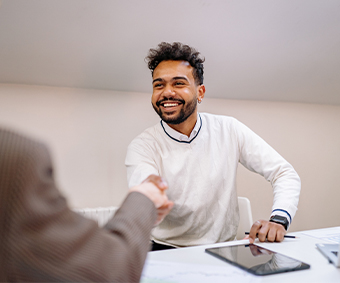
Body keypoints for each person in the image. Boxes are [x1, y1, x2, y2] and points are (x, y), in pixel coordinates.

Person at [125, 42, 301, 250]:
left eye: (179, 83)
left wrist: (279, 220)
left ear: (200, 93)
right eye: (159, 85)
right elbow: (144, 192)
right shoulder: (142, 146)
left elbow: (284, 173)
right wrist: (149, 195)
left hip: (224, 250)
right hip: (164, 250)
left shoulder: (229, 129)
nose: (167, 93)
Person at [0, 128, 173, 282]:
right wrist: (144, 198)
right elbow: (110, 270)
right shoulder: (16, 158)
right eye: (158, 88)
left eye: (179, 88)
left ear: (201, 93)